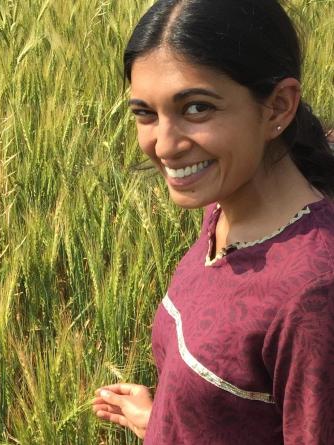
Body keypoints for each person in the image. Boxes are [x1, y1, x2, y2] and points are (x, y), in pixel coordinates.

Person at [91, 0, 334, 443]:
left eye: (196, 108)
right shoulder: (222, 206)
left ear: (279, 107)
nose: (163, 146)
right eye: (145, 113)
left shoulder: (313, 297)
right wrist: (168, 417)